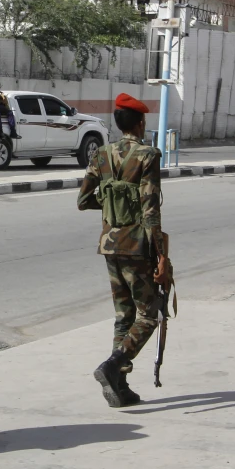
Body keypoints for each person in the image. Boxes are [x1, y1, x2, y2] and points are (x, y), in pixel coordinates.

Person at [78, 93, 169, 407]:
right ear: (141, 122)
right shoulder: (148, 155)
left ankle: (120, 387)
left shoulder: (101, 155)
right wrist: (161, 257)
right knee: (149, 315)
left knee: (123, 316)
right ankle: (113, 366)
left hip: (109, 244)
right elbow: (151, 209)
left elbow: (84, 200)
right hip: (137, 245)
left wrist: (113, 199)